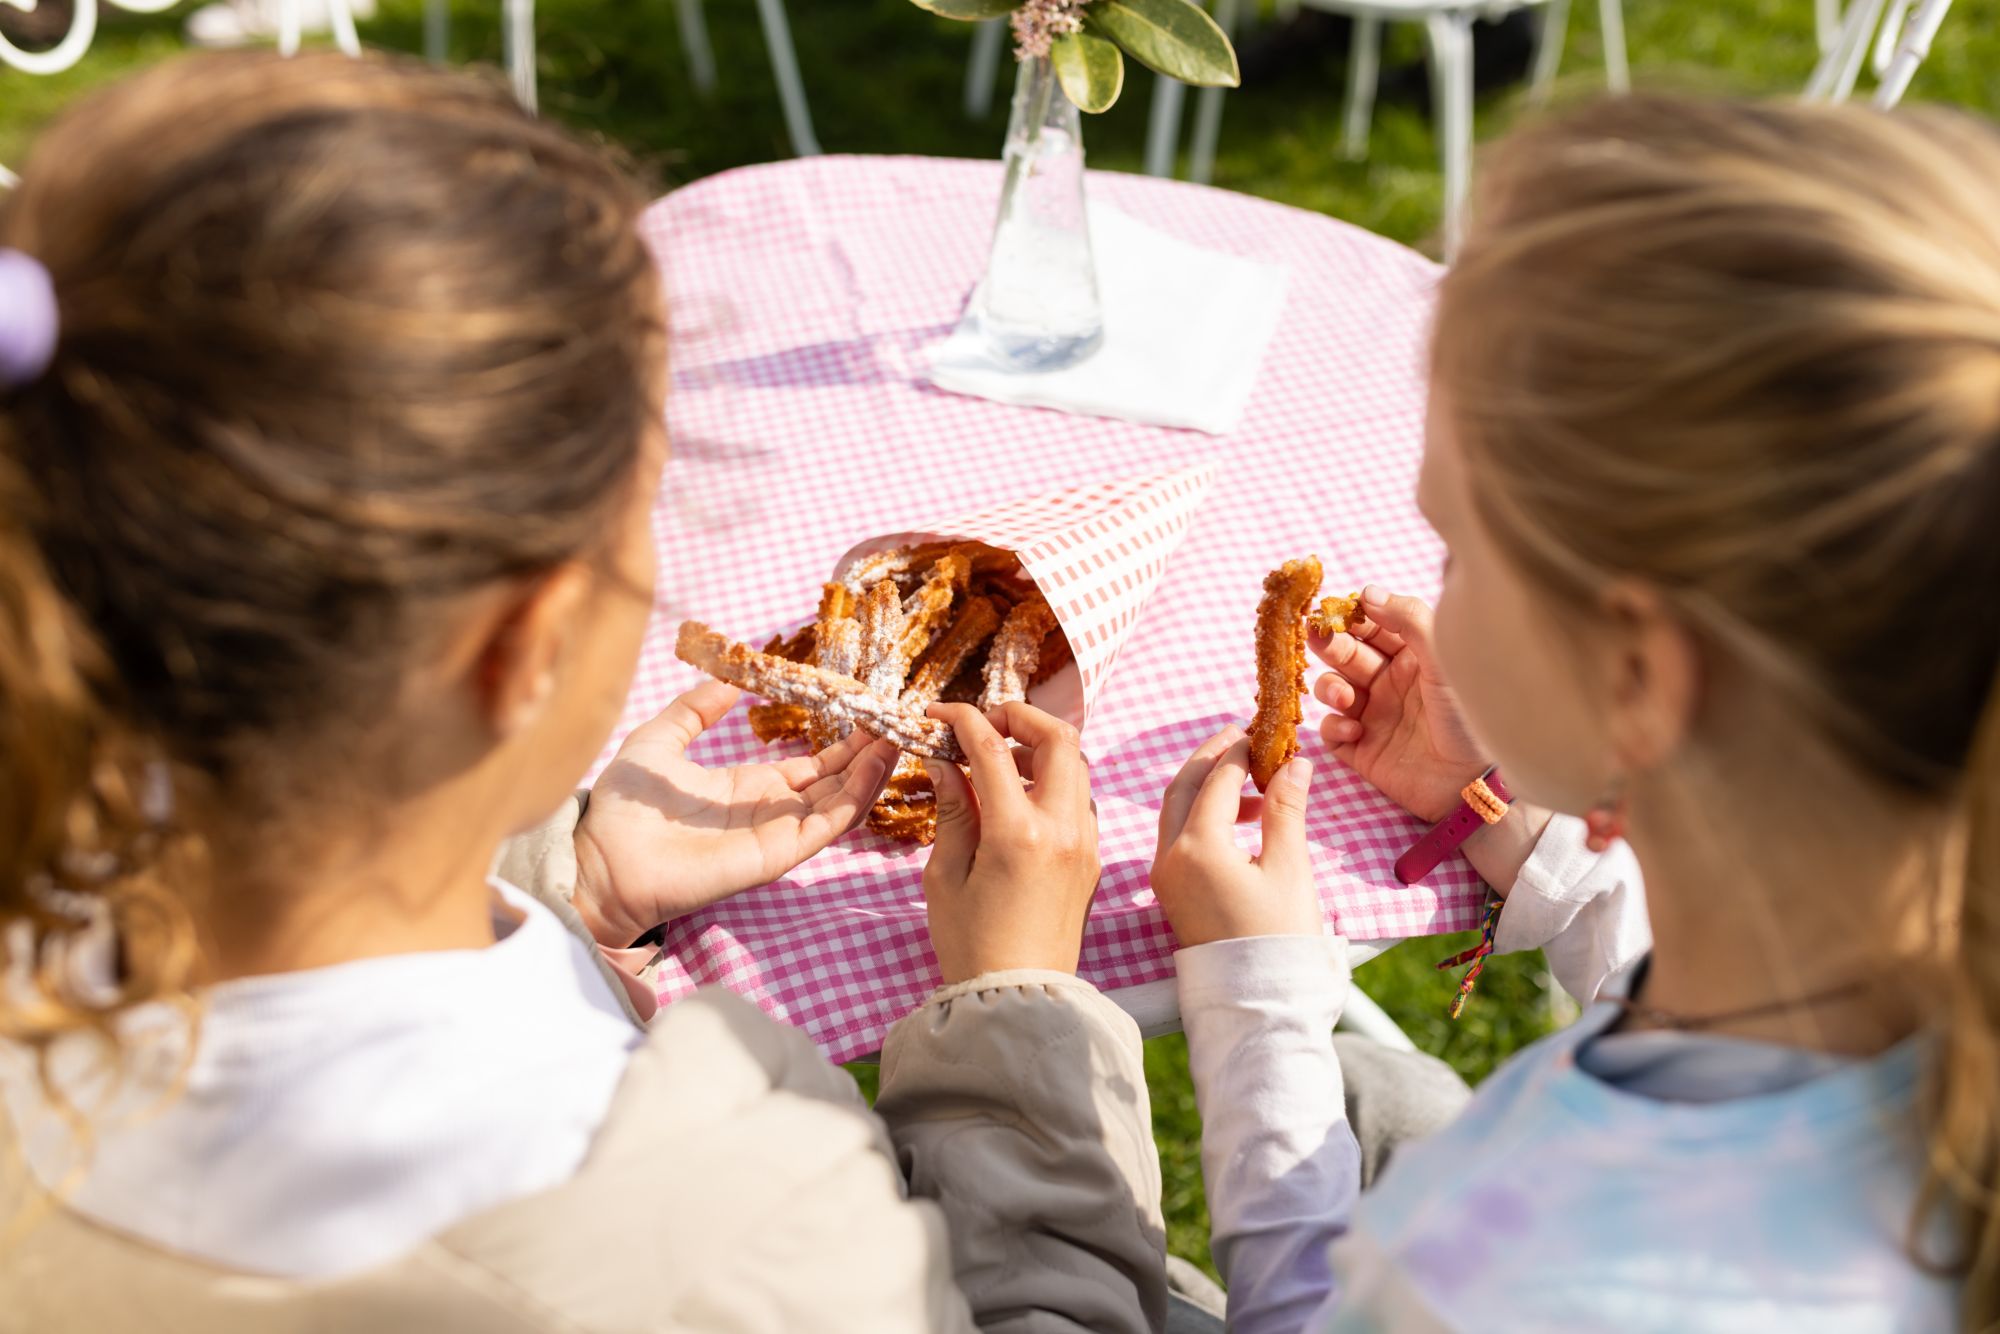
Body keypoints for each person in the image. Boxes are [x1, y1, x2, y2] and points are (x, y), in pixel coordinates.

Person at [0, 51, 1164, 1332]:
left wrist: (565, 890)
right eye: (643, 511)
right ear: (523, 643)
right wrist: (1018, 1008)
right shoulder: (722, 1225)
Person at [1149, 95, 2000, 1330]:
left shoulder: (1522, 1284)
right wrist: (1515, 815)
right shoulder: (1891, 961)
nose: (1414, 576)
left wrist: (1259, 995)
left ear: (1639, 679)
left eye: (1448, 548)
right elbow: (1672, 979)